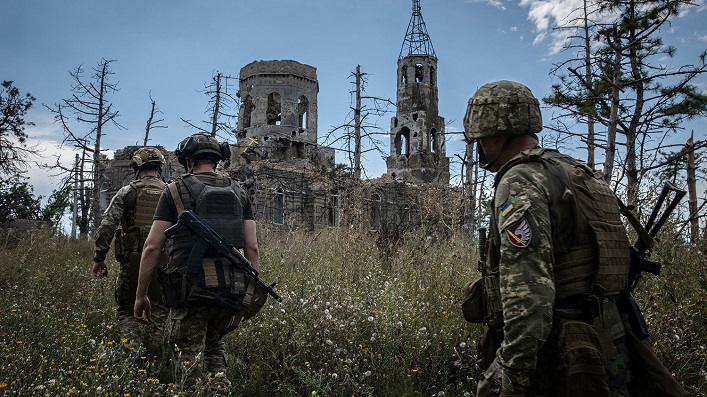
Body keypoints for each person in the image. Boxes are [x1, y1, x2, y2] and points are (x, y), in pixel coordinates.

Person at [460, 80, 688, 397]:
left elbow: (529, 296)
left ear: (496, 132)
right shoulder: (578, 172)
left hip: (563, 355)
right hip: (610, 344)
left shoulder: (521, 179)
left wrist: (510, 377)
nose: (480, 147)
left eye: (481, 138)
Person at [134, 133, 262, 393]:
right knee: (214, 349)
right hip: (230, 289)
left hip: (191, 289)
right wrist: (251, 292)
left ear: (187, 159)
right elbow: (252, 248)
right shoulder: (239, 191)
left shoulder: (174, 190)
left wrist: (141, 295)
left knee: (188, 361)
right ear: (217, 160)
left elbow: (152, 246)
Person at [92, 146, 169, 362]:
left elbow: (107, 226)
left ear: (136, 167)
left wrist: (99, 258)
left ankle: (133, 360)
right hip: (164, 265)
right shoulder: (171, 194)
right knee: (159, 313)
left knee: (126, 311)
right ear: (160, 167)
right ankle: (153, 366)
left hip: (132, 263)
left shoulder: (127, 193)